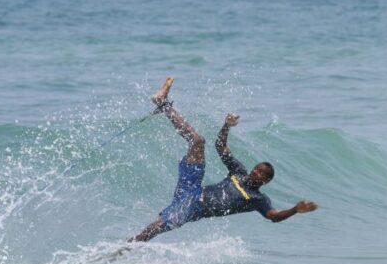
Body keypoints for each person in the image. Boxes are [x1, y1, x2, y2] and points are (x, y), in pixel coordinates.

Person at [127, 77, 318, 245]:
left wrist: (294, 210)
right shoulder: (239, 172)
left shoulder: (258, 199)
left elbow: (273, 216)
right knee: (198, 141)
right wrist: (226, 126)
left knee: (150, 232)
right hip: (192, 188)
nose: (256, 173)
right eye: (256, 169)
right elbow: (220, 147)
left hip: (192, 208)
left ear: (265, 181)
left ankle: (120, 251)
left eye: (261, 174)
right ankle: (163, 103)